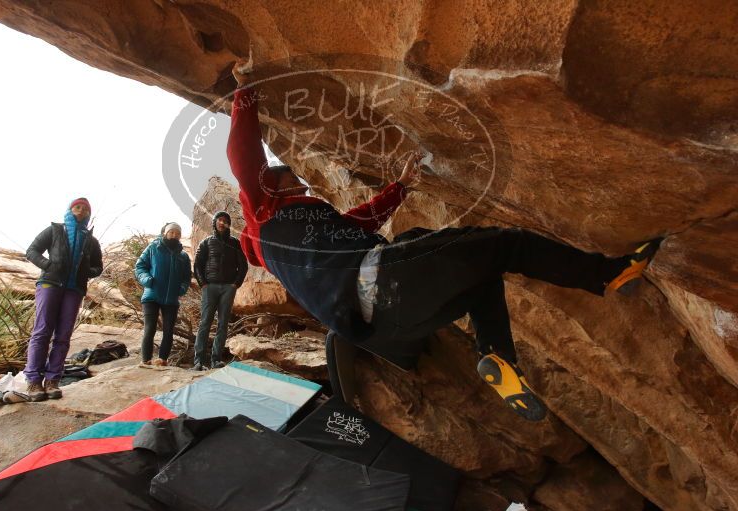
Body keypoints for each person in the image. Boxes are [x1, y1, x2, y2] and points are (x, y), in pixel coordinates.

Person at [228, 61, 662, 421]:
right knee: (504, 243)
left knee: (482, 275)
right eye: (294, 179)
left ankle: (497, 356)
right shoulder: (263, 212)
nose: (304, 184)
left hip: (389, 323)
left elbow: (360, 221)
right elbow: (243, 155)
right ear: (272, 185)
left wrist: (400, 187)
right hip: (379, 283)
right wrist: (245, 90)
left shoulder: (300, 238)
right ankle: (610, 274)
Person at [25, 197, 103, 401]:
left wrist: (87, 272)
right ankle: (34, 381)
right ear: (70, 209)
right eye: (77, 207)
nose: (81, 211)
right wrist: (48, 265)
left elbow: (98, 267)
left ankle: (52, 380)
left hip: (74, 289)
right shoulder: (55, 230)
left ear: (89, 214)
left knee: (63, 336)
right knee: (42, 332)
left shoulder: (91, 240)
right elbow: (32, 251)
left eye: (85, 209)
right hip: (50, 284)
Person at [192, 211, 248, 371]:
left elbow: (243, 265)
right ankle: (198, 362)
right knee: (205, 323)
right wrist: (203, 284)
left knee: (223, 324)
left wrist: (235, 284)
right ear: (215, 222)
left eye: (225, 221)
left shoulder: (235, 243)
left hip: (228, 289)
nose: (222, 223)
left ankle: (216, 360)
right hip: (210, 287)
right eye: (219, 220)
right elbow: (197, 265)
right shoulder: (206, 242)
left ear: (228, 224)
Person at [135, 222, 191, 366]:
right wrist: (146, 279)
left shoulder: (183, 256)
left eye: (177, 233)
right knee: (150, 328)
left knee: (168, 330)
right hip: (151, 296)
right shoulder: (153, 248)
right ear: (165, 233)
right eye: (171, 232)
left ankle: (163, 360)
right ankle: (146, 360)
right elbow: (140, 266)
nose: (174, 235)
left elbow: (186, 277)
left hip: (171, 298)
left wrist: (182, 288)